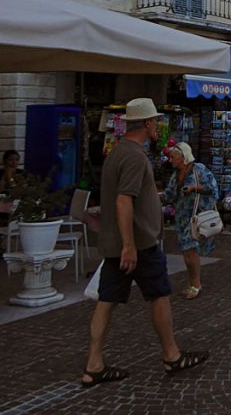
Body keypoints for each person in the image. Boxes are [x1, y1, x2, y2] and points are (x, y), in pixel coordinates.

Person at [82, 98, 208, 387]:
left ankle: (94, 363)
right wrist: (129, 244)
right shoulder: (135, 157)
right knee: (159, 294)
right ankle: (171, 354)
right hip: (139, 243)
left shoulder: (117, 153)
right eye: (156, 122)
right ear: (149, 124)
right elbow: (124, 200)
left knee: (107, 300)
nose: (158, 127)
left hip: (119, 243)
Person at [162, 142, 219, 301]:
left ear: (183, 157)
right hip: (182, 218)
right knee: (187, 251)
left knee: (189, 251)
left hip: (195, 216)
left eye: (173, 157)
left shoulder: (198, 169)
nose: (170, 160)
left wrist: (194, 188)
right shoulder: (176, 175)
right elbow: (169, 195)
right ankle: (193, 282)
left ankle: (195, 284)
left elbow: (213, 188)